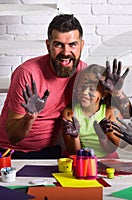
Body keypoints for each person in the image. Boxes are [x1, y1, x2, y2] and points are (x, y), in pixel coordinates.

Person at [0, 14, 87, 159]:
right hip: (10, 152)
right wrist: (29, 117)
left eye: (72, 44)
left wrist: (116, 93)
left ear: (81, 45)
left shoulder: (84, 74)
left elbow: (123, 111)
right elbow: (13, 137)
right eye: (58, 44)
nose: (66, 52)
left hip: (48, 153)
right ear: (48, 45)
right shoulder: (27, 74)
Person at [61, 61, 129, 158]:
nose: (85, 92)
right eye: (82, 86)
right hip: (81, 159)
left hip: (107, 159)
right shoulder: (69, 113)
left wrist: (102, 136)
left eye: (92, 88)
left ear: (104, 93)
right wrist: (75, 137)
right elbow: (73, 152)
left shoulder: (111, 113)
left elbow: (111, 149)